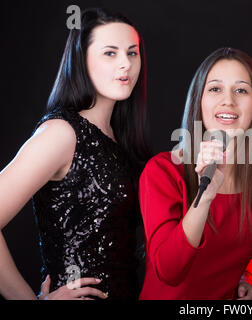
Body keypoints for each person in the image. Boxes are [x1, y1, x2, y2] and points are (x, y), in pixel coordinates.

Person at [0, 8, 150, 300]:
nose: (126, 64)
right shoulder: (62, 133)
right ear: (82, 61)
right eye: (110, 53)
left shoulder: (123, 141)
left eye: (132, 53)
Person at [139, 47, 252, 299]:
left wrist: (247, 277)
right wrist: (205, 196)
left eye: (241, 90)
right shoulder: (163, 171)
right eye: (215, 89)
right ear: (198, 101)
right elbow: (169, 271)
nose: (228, 101)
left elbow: (249, 250)